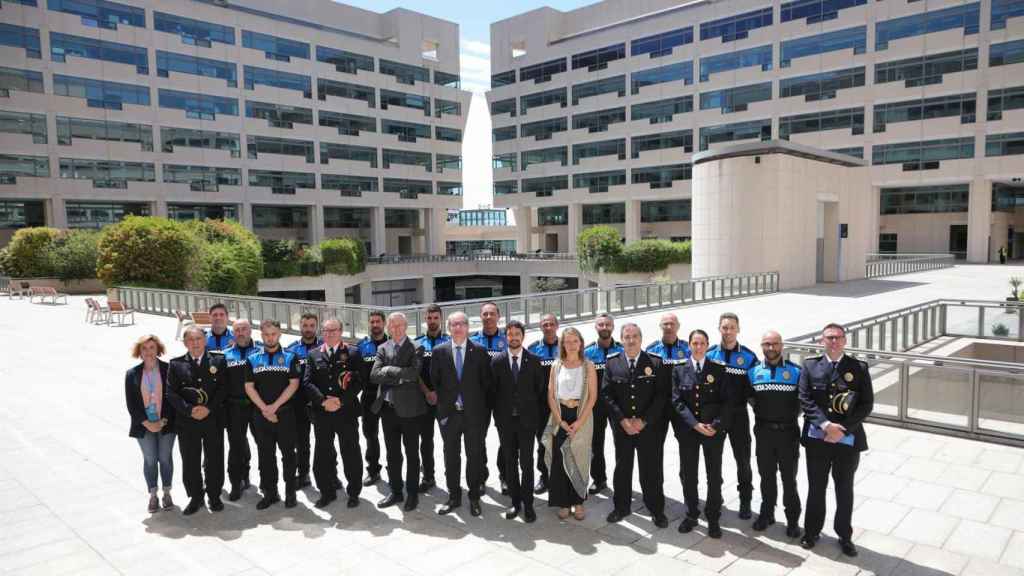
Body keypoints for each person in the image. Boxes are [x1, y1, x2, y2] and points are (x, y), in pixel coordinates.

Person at [798, 323, 874, 557]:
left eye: (838, 337)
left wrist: (842, 429)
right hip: (817, 440)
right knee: (816, 487)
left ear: (844, 340)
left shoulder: (858, 368)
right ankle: (811, 532)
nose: (833, 341)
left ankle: (844, 535)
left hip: (847, 440)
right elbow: (805, 398)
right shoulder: (810, 366)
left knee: (844, 490)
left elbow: (866, 404)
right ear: (822, 341)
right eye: (829, 337)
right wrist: (825, 425)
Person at [602, 323, 668, 528]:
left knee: (651, 468)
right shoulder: (612, 363)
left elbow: (661, 396)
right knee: (623, 467)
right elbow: (606, 394)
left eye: (634, 337)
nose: (631, 340)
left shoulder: (655, 363)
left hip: (648, 428)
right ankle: (621, 507)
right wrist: (622, 420)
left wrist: (644, 420)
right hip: (622, 427)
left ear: (641, 339)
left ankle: (656, 509)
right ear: (621, 340)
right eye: (627, 337)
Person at [430, 311, 492, 517]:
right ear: (448, 328)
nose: (457, 328)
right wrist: (442, 413)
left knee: (474, 457)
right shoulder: (439, 351)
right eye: (454, 324)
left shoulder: (480, 351)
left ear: (467, 327)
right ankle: (454, 496)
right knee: (451, 456)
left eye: (461, 324)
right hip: (450, 415)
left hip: (473, 416)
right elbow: (435, 382)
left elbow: (486, 386)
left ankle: (474, 497)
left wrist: (483, 416)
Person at [671, 329, 730, 538]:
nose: (698, 347)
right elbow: (676, 401)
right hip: (689, 431)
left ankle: (713, 517)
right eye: (694, 343)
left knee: (714, 475)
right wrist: (695, 424)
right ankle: (692, 514)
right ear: (689, 345)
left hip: (713, 432)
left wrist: (715, 425)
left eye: (702, 343)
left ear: (707, 345)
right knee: (689, 474)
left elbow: (726, 402)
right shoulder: (679, 370)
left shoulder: (718, 369)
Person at [167, 326, 228, 515]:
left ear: (205, 340)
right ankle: (196, 497)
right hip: (188, 421)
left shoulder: (218, 360)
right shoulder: (176, 364)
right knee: (190, 460)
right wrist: (190, 410)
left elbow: (224, 389)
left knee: (214, 459)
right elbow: (171, 393)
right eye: (191, 340)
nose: (195, 343)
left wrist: (208, 408)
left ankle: (214, 495)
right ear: (185, 343)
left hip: (212, 419)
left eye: (199, 339)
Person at [303, 318, 364, 509]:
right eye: (326, 330)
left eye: (333, 330)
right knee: (323, 453)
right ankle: (326, 492)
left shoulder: (352, 353)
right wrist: (323, 401)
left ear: (340, 331)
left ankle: (353, 492)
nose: (329, 334)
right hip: (322, 413)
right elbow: (307, 382)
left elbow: (359, 381)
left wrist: (341, 401)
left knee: (351, 452)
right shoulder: (313, 354)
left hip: (346, 412)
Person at [747, 330, 802, 537]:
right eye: (767, 344)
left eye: (775, 344)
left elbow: (802, 402)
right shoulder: (752, 372)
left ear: (782, 345)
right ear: (762, 346)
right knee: (766, 477)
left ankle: (793, 519)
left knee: (789, 479)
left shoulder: (796, 371)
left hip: (788, 434)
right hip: (764, 433)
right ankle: (767, 513)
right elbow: (751, 398)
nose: (771, 348)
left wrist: (787, 417)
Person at [244, 320, 302, 509]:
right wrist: (265, 409)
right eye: (266, 334)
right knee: (266, 455)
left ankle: (291, 492)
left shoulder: (289, 357)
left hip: (285, 414)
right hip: (261, 416)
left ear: (279, 335)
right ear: (261, 336)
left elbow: (293, 384)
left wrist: (274, 407)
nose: (270, 338)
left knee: (288, 455)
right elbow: (249, 387)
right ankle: (270, 493)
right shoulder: (252, 358)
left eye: (273, 334)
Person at [371, 312, 426, 511]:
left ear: (406, 326)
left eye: (400, 325)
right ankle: (395, 491)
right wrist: (397, 375)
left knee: (412, 454)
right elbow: (374, 376)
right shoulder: (382, 348)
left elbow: (413, 374)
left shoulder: (417, 348)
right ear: (388, 328)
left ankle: (412, 494)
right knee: (392, 454)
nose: (396, 329)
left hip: (410, 410)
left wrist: (388, 371)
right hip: (388, 410)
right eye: (392, 326)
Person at [541, 327, 598, 520]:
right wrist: (560, 420)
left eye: (575, 341)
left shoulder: (588, 365)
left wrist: (579, 422)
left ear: (581, 343)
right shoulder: (556, 365)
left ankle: (578, 502)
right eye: (568, 341)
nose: (572, 345)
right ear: (562, 344)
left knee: (579, 458)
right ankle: (563, 502)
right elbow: (550, 394)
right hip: (560, 415)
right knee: (559, 460)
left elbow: (592, 397)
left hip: (581, 414)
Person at [707, 312, 759, 519]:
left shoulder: (748, 357)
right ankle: (715, 497)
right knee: (713, 460)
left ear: (738, 329)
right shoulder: (710, 355)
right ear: (719, 329)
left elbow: (756, 389)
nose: (728, 331)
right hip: (715, 417)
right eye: (724, 327)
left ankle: (745, 500)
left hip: (739, 416)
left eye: (732, 327)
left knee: (743, 461)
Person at [491, 320, 543, 523]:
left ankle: (529, 504)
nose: (513, 337)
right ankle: (515, 502)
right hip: (505, 423)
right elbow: (492, 392)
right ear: (506, 337)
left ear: (523, 336)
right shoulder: (497, 362)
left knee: (527, 463)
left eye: (517, 334)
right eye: (510, 334)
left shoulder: (534, 360)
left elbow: (539, 391)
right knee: (510, 463)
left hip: (527, 422)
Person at [125, 334, 176, 513]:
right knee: (150, 459)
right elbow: (132, 404)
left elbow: (173, 398)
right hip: (144, 425)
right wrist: (147, 423)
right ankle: (153, 494)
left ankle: (167, 492)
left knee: (165, 458)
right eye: (144, 348)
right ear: (140, 351)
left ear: (158, 349)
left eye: (152, 348)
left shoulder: (169, 369)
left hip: (166, 424)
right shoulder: (132, 374)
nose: (148, 352)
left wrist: (162, 421)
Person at [470, 301, 507, 494]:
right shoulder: (473, 341)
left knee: (506, 438)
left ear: (498, 316)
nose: (488, 317)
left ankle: (505, 476)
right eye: (485, 314)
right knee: (478, 439)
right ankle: (481, 476)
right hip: (479, 399)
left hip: (503, 398)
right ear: (481, 317)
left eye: (492, 313)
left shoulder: (508, 339)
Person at [583, 313, 622, 495]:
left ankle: (623, 480)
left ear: (612, 327)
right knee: (595, 444)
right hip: (595, 405)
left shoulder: (622, 350)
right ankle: (599, 479)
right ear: (596, 327)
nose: (604, 327)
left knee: (621, 445)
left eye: (607, 324)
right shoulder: (587, 352)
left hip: (618, 405)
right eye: (601, 325)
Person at [221, 319, 260, 501]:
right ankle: (236, 483)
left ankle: (268, 484)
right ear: (233, 333)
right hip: (234, 406)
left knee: (264, 445)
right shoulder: (224, 355)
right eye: (237, 330)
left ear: (250, 330)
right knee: (236, 446)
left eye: (244, 329)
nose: (241, 332)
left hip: (258, 406)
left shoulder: (261, 351)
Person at [414, 304, 449, 494]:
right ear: (425, 320)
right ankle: (428, 476)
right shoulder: (417, 343)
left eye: (436, 318)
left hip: (445, 401)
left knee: (449, 441)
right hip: (424, 400)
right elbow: (414, 372)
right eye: (429, 318)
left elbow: (454, 373)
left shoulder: (450, 341)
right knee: (425, 441)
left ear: (441, 319)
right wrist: (427, 392)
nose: (432, 321)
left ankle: (452, 478)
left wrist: (439, 394)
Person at [286, 313, 321, 489]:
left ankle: (330, 472)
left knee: (325, 439)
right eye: (305, 325)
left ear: (317, 326)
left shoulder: (324, 346)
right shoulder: (291, 350)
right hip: (298, 402)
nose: (308, 329)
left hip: (320, 400)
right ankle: (304, 473)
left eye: (311, 325)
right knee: (302, 440)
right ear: (300, 327)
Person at [526, 313, 559, 494]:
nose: (548, 327)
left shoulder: (566, 346)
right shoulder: (532, 349)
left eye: (551, 324)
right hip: (539, 405)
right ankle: (545, 477)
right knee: (543, 442)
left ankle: (560, 477)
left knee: (562, 442)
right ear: (541, 327)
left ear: (557, 326)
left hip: (563, 404)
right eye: (545, 324)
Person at [356, 311, 388, 486]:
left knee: (394, 435)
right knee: (370, 435)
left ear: (384, 323)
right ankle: (373, 470)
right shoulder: (362, 346)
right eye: (372, 322)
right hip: (369, 396)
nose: (375, 324)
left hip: (390, 396)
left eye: (378, 321)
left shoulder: (393, 343)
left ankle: (395, 467)